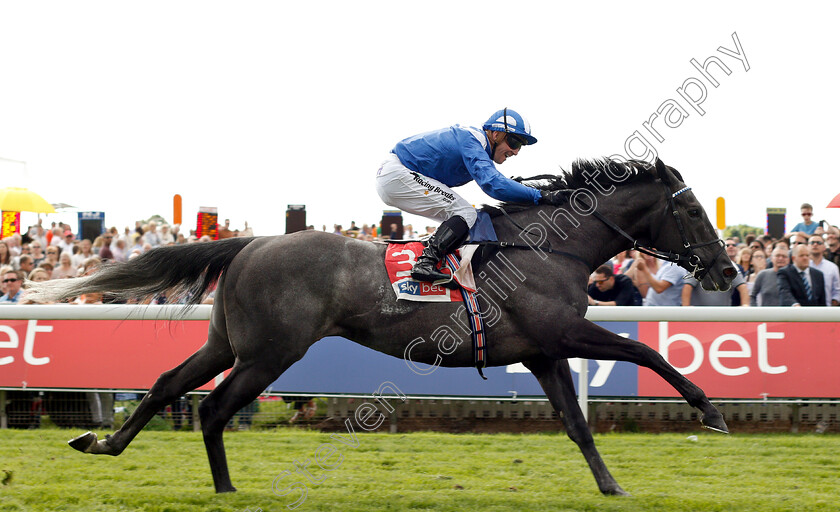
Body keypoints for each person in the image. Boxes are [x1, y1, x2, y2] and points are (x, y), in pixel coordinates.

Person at [376, 108, 549, 284]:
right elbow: (494, 184)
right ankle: (426, 263)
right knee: (466, 213)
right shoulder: (472, 140)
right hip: (397, 173)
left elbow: (496, 180)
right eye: (513, 142)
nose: (516, 151)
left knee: (466, 220)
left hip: (397, 176)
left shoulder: (477, 146)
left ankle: (442, 261)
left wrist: (516, 187)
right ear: (496, 134)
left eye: (520, 146)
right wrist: (540, 195)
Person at [808, 235, 840, 306]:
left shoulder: (832, 267)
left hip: (826, 311)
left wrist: (831, 307)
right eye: (812, 242)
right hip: (804, 311)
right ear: (807, 246)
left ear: (824, 247)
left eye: (819, 243)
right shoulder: (802, 266)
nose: (815, 245)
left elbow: (837, 292)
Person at [682, 272, 748, 306]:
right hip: (699, 316)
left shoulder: (729, 266)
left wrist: (745, 306)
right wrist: (686, 308)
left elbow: (742, 287)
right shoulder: (697, 267)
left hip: (723, 315)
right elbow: (688, 286)